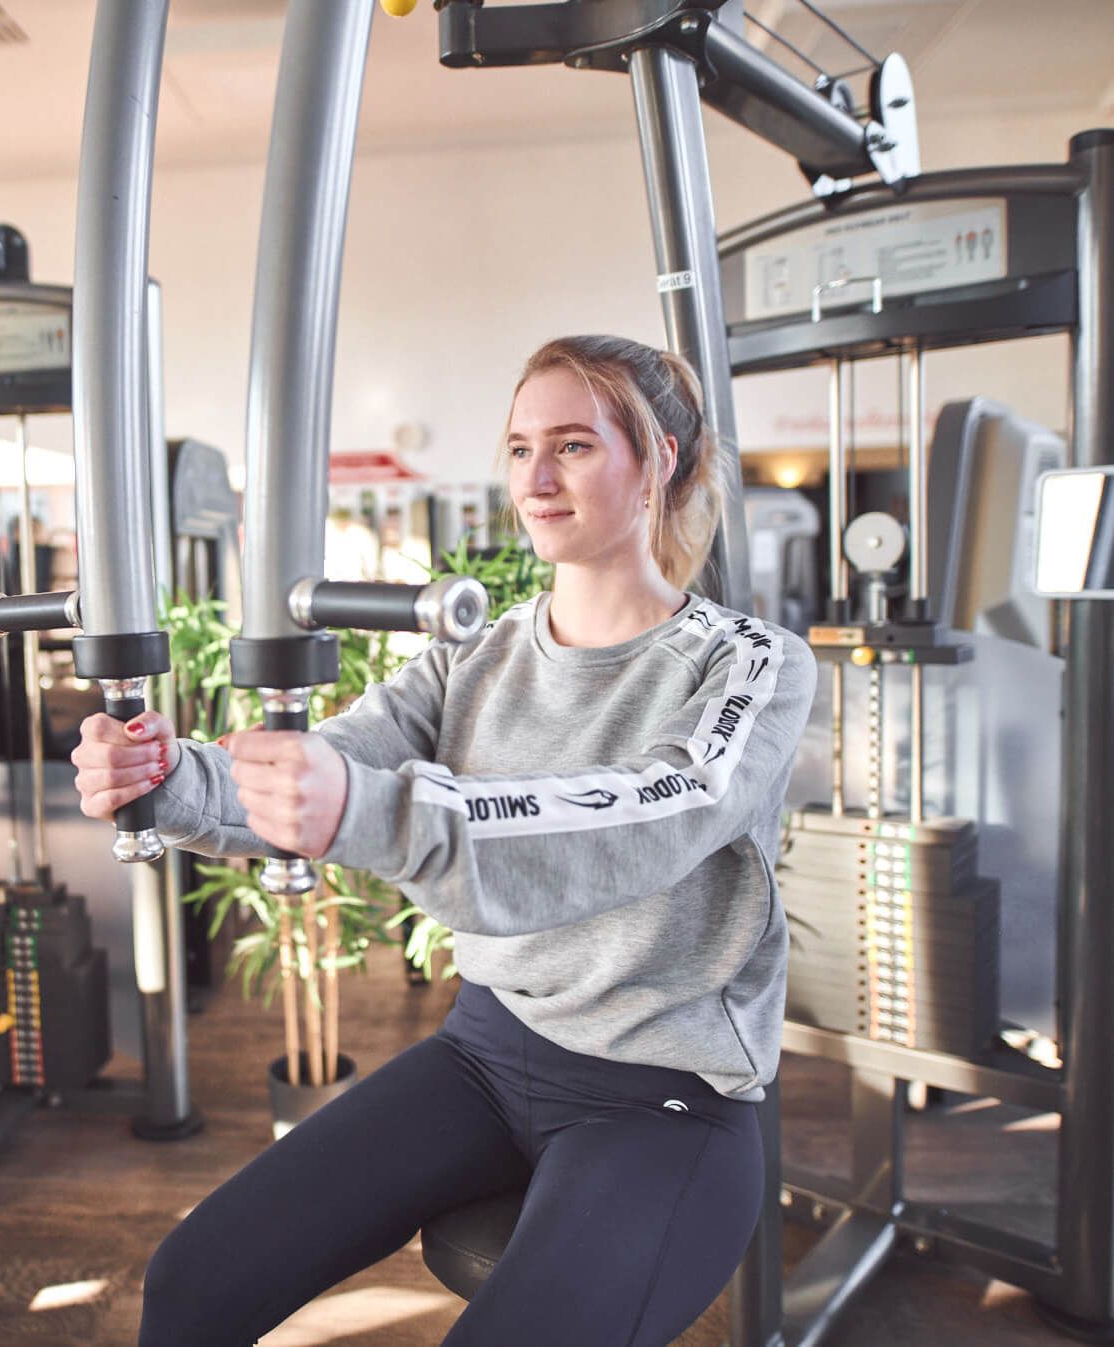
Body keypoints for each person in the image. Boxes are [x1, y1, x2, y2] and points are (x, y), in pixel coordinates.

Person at [72, 335, 817, 1347]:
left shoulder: (749, 665)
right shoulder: (477, 653)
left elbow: (650, 812)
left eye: (574, 447)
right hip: (483, 1050)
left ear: (662, 460)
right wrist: (167, 779)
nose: (537, 479)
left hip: (662, 1099)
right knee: (192, 1282)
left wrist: (378, 812)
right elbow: (325, 765)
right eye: (518, 449)